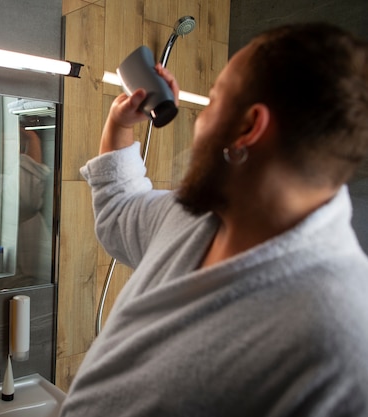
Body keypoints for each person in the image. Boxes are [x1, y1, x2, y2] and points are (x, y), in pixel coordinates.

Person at [60, 22, 368, 416]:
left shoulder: (341, 342)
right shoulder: (197, 217)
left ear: (248, 128)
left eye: (215, 99)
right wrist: (119, 124)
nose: (200, 121)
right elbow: (120, 209)